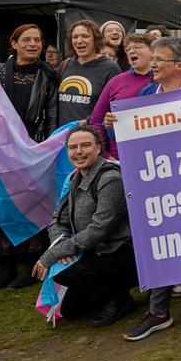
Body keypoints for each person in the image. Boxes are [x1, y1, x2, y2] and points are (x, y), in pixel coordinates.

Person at [122, 37, 181, 342]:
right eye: (152, 59)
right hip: (156, 183)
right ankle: (158, 311)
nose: (152, 65)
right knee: (158, 241)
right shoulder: (146, 94)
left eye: (158, 60)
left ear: (179, 65)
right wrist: (118, 123)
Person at [32, 124, 136, 327]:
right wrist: (61, 247)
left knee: (65, 272)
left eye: (85, 145)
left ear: (98, 148)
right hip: (90, 251)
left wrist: (53, 254)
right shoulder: (75, 177)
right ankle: (105, 293)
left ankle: (120, 296)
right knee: (71, 312)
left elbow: (99, 230)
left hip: (118, 252)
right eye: (73, 147)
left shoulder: (111, 178)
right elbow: (57, 220)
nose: (78, 151)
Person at [0, 24, 58, 289]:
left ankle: (30, 262)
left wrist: (48, 146)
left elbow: (52, 113)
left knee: (32, 202)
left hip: (33, 147)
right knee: (3, 203)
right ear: (14, 44)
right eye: (26, 39)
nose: (33, 44)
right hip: (2, 148)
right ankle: (5, 262)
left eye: (38, 40)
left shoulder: (49, 76)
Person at [91, 33, 155, 160]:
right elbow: (96, 121)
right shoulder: (115, 82)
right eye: (128, 49)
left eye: (138, 47)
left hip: (158, 157)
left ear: (153, 52)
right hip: (120, 158)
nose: (131, 51)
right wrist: (105, 154)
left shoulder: (165, 79)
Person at [57, 20, 121, 125]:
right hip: (62, 133)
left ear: (95, 40)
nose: (79, 41)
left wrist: (88, 121)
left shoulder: (111, 68)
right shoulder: (65, 65)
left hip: (93, 133)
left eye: (85, 36)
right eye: (75, 37)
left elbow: (114, 108)